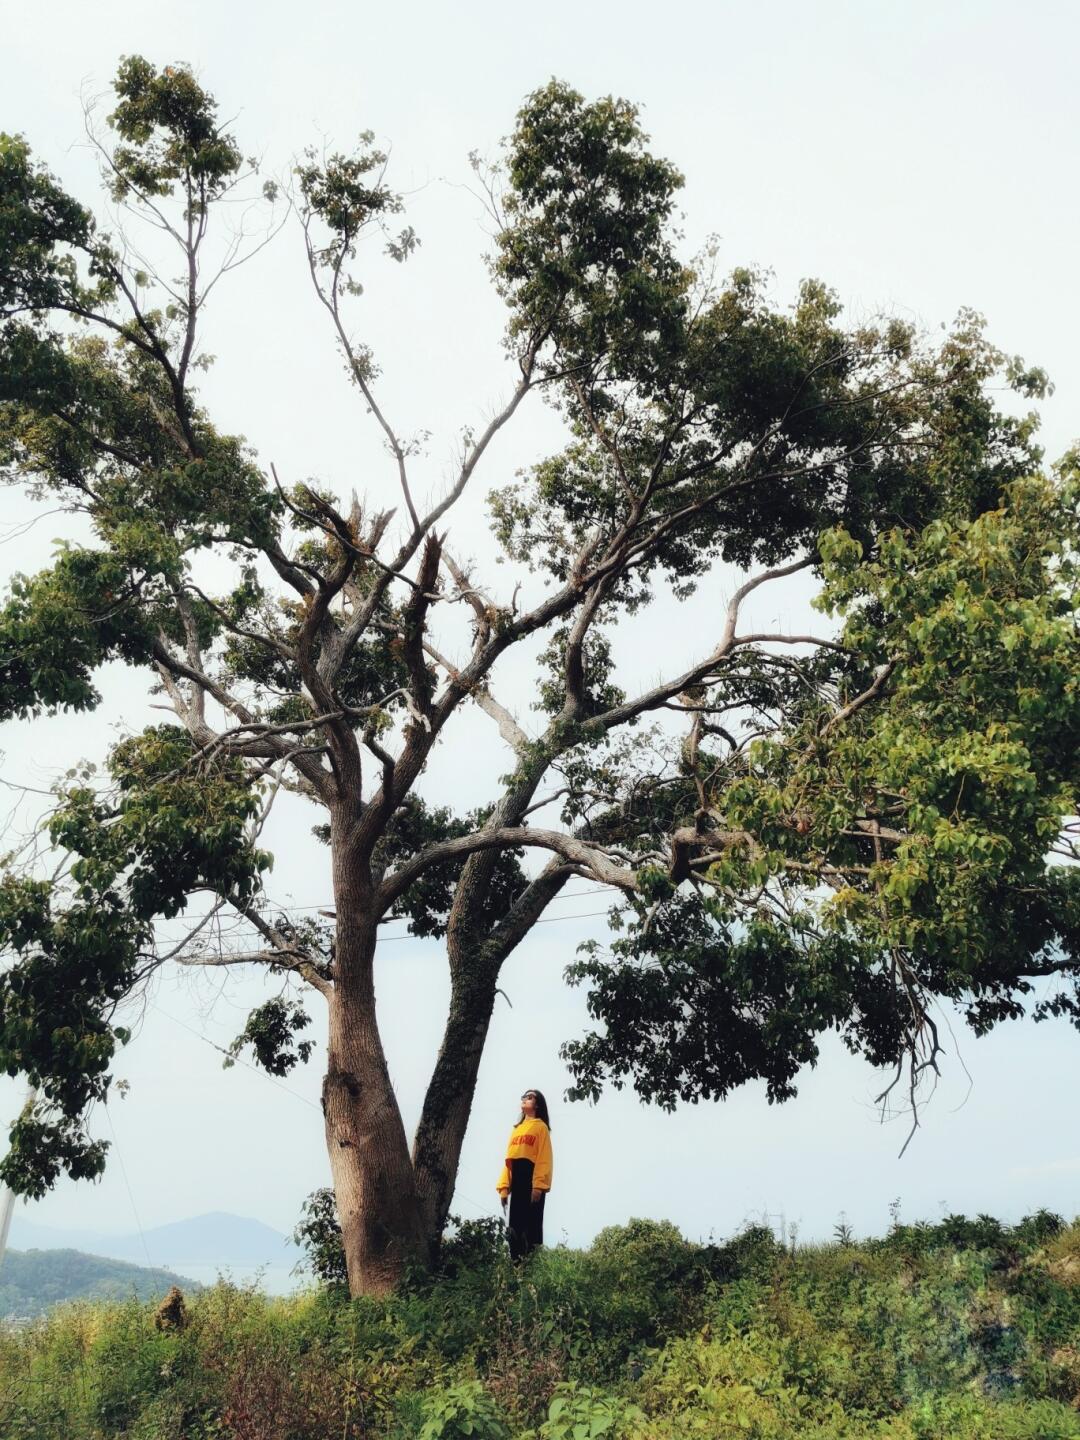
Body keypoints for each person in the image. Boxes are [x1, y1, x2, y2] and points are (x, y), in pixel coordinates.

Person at [495, 1088, 552, 1260]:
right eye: (524, 1097)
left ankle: (530, 1273)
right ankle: (516, 1271)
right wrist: (504, 1187)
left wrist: (538, 1186)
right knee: (514, 1228)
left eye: (530, 1097)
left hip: (532, 1181)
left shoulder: (541, 1127)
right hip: (517, 1182)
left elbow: (544, 1158)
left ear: (537, 1104)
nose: (525, 1099)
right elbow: (509, 1161)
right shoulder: (516, 1130)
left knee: (531, 1229)